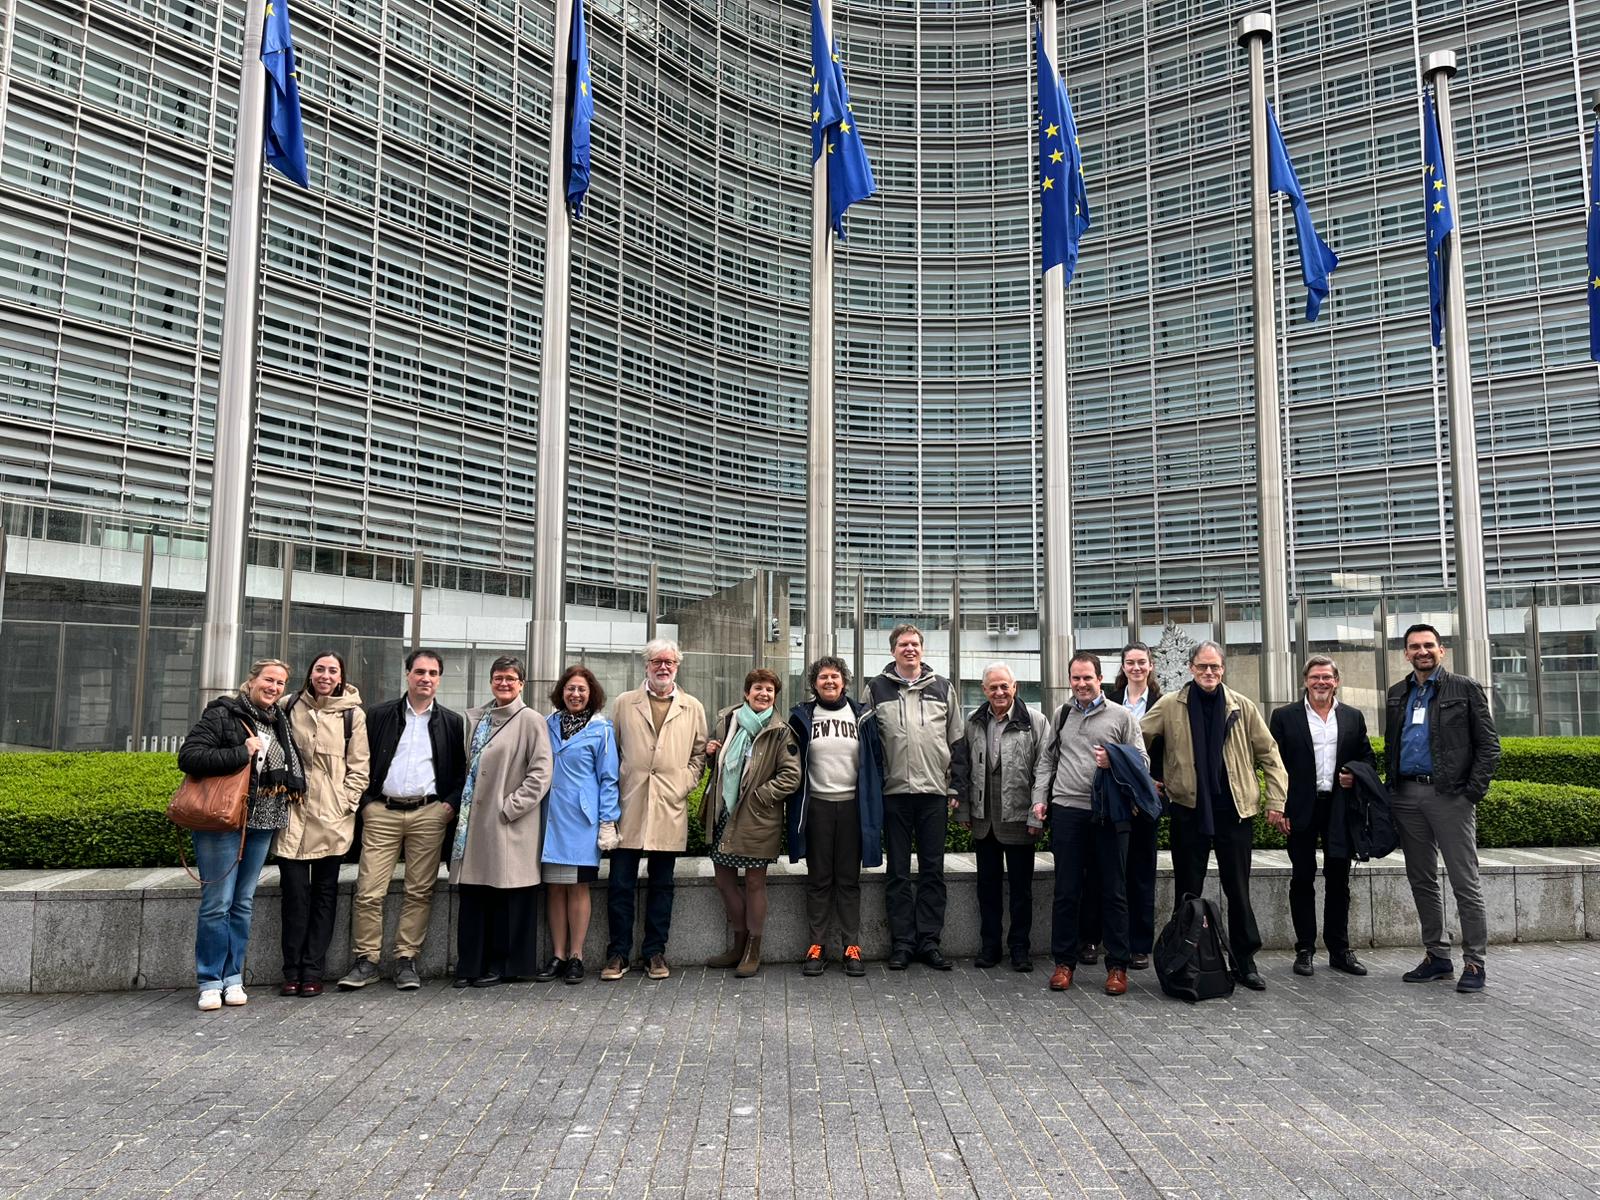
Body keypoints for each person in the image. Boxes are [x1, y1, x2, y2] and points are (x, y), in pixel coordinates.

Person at [1140, 640, 1287, 990]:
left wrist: (1276, 801)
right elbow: (1136, 738)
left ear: (1223, 670)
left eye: (1215, 667)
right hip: (1188, 811)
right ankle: (1182, 958)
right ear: (1191, 668)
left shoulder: (1242, 706)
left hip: (1234, 812)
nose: (1209, 673)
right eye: (1203, 667)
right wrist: (1147, 780)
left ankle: (1245, 960)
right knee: (1187, 891)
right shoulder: (1170, 705)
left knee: (1238, 890)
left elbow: (1270, 754)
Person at [179, 658, 306, 1011]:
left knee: (243, 902)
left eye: (280, 683)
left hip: (263, 821)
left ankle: (233, 977)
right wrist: (241, 752)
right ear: (250, 681)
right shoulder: (223, 713)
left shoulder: (279, 721)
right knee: (217, 902)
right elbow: (189, 757)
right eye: (268, 679)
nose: (274, 687)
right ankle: (209, 980)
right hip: (223, 820)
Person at [338, 650, 466, 992]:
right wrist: (366, 804)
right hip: (382, 812)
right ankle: (366, 960)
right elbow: (359, 762)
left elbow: (459, 773)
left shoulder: (451, 722)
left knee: (420, 891)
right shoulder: (379, 715)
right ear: (407, 674)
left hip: (429, 814)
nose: (426, 678)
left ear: (439, 679)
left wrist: (448, 807)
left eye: (433, 673)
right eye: (420, 671)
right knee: (368, 891)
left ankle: (406, 959)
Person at [1385, 623, 1500, 993]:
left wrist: (1471, 794)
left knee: (1465, 881)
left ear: (1442, 650)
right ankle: (1437, 956)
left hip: (1450, 797)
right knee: (1422, 880)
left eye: (1429, 645)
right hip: (1407, 796)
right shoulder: (1397, 693)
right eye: (1415, 646)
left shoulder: (1463, 688)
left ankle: (1475, 962)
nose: (1422, 651)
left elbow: (1489, 745)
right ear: (1405, 653)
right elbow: (1393, 745)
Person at [1032, 652, 1146, 996]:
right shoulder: (1062, 713)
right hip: (1068, 810)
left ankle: (1117, 966)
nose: (1082, 684)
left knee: (1113, 891)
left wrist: (1114, 758)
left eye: (1088, 678)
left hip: (1109, 812)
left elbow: (1142, 760)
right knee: (1066, 891)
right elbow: (1048, 760)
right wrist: (1040, 798)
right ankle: (1064, 963)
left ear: (1100, 679)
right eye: (1076, 678)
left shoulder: (1121, 716)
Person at [865, 623, 970, 971]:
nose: (909, 649)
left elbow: (957, 741)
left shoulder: (942, 687)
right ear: (892, 650)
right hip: (893, 795)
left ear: (922, 650)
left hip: (933, 795)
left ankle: (929, 942)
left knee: (932, 872)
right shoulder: (875, 688)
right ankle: (902, 944)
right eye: (903, 644)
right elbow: (867, 746)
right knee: (896, 872)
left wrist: (956, 786)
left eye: (915, 644)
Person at [602, 639, 708, 981]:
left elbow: (698, 754)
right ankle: (618, 953)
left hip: (668, 805)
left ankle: (655, 952)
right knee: (620, 884)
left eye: (670, 662)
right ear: (646, 665)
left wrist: (684, 784)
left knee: (662, 885)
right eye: (657, 661)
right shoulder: (623, 703)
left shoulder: (692, 706)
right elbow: (611, 752)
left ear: (677, 667)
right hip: (629, 804)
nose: (663, 667)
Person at [1269, 655, 1379, 978]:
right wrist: (1279, 806)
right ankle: (1304, 949)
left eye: (1327, 678)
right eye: (1315, 677)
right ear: (1305, 681)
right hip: (1300, 807)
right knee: (1302, 878)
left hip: (1339, 809)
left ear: (1336, 681)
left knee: (1338, 880)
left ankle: (1339, 949)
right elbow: (1274, 764)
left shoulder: (1353, 717)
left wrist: (1354, 774)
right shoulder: (1284, 716)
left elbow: (1367, 758)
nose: (1321, 682)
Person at [450, 656, 553, 987]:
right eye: (498, 678)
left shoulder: (530, 720)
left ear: (521, 683)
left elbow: (541, 773)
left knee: (508, 897)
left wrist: (510, 807)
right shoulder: (479, 718)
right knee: (475, 895)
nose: (504, 683)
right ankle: (471, 964)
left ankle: (505, 965)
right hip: (474, 826)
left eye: (511, 678)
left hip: (509, 824)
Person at [276, 651, 370, 997]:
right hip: (293, 817)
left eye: (333, 670)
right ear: (310, 673)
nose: (326, 675)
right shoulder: (289, 706)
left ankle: (313, 970)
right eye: (320, 669)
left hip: (333, 818)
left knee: (324, 896)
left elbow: (360, 767)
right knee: (295, 896)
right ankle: (292, 969)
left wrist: (346, 802)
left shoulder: (352, 714)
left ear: (341, 675)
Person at [786, 656, 883, 978]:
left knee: (848, 880)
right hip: (817, 807)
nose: (829, 682)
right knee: (819, 880)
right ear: (814, 683)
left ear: (845, 681)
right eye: (823, 677)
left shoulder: (863, 715)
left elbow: (875, 761)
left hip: (853, 807)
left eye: (835, 677)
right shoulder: (802, 716)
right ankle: (817, 945)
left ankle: (851, 946)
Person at [701, 669, 801, 978]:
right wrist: (710, 755)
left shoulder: (780, 730)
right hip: (725, 812)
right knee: (724, 881)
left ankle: (753, 950)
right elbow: (720, 766)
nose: (764, 694)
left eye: (770, 690)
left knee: (756, 882)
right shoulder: (728, 721)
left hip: (758, 816)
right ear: (747, 692)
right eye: (758, 688)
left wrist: (760, 796)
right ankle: (738, 944)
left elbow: (791, 775)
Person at [956, 663, 1047, 972]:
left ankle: (1020, 948)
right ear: (984, 690)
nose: (998, 692)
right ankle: (989, 946)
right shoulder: (973, 721)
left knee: (1022, 891)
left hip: (1020, 818)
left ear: (1015, 687)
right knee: (988, 888)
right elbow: (963, 768)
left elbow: (1043, 770)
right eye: (992, 687)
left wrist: (1037, 814)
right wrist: (965, 811)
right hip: (985, 821)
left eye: (1004, 686)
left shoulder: (1034, 721)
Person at [536, 665, 620, 985]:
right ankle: (557, 954)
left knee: (577, 887)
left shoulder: (602, 730)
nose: (575, 694)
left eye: (582, 689)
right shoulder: (547, 724)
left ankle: (576, 956)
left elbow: (609, 779)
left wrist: (607, 822)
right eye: (570, 688)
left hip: (582, 822)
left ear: (591, 694)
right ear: (562, 692)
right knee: (555, 888)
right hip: (550, 819)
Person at [1101, 641, 1163, 969]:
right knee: (1111, 872)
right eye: (1130, 662)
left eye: (1141, 662)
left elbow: (1170, 746)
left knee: (1141, 872)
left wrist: (1158, 779)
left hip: (1147, 798)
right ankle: (1111, 940)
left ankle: (1139, 944)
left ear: (1150, 666)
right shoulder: (1108, 701)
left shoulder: (1163, 703)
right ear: (1122, 667)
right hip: (1116, 796)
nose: (1136, 667)